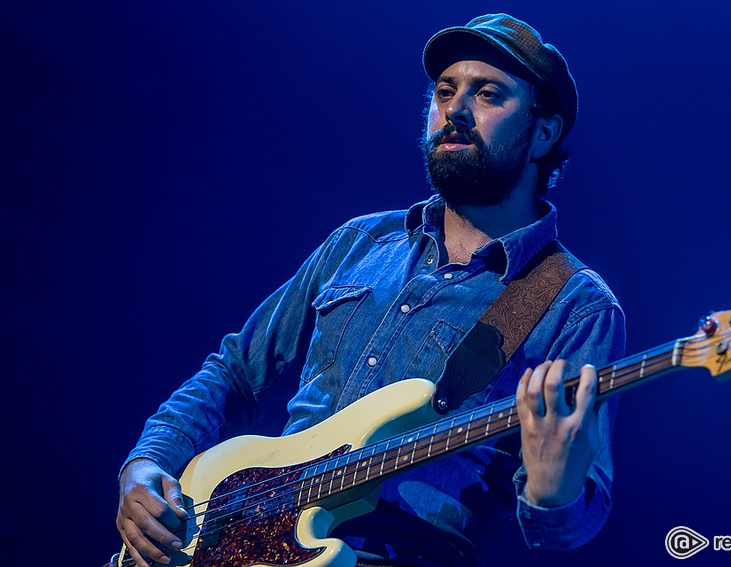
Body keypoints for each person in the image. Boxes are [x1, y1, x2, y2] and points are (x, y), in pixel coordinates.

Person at [116, 13, 626, 567]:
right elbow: (234, 373)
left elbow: (572, 523)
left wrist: (555, 490)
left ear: (544, 132)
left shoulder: (574, 305)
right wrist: (148, 463)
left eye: (487, 93)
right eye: (445, 90)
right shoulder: (361, 241)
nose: (454, 109)